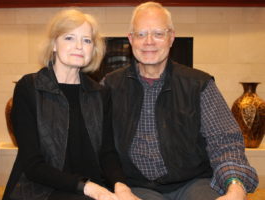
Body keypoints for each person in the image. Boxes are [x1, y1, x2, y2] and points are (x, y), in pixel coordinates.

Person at [103, 2, 259, 200]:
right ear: (131, 39)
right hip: (136, 186)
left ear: (171, 38)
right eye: (141, 34)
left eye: (158, 33)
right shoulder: (110, 85)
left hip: (195, 182)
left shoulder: (199, 84)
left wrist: (235, 187)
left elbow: (225, 142)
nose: (148, 41)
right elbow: (98, 147)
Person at [2, 9, 140, 200]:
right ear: (54, 45)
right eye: (69, 38)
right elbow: (32, 165)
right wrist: (89, 188)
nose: (79, 46)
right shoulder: (30, 87)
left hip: (88, 188)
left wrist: (121, 186)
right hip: (40, 190)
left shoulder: (100, 93)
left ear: (93, 49)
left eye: (86, 40)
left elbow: (107, 153)